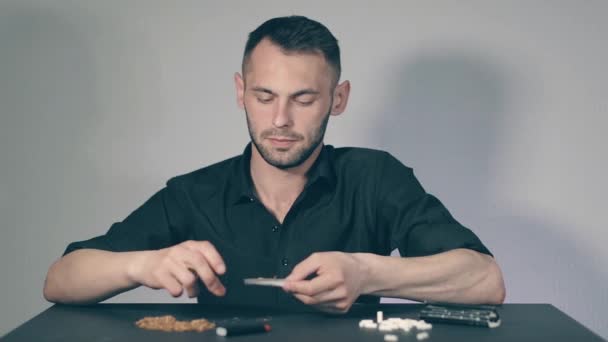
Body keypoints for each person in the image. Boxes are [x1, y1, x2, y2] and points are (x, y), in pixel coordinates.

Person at [43, 15, 505, 313]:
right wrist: (141, 264)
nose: (280, 120)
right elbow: (59, 280)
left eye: (303, 99)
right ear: (241, 92)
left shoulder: (377, 178)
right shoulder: (192, 194)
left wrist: (367, 272)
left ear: (338, 99)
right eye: (264, 97)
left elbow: (485, 280)